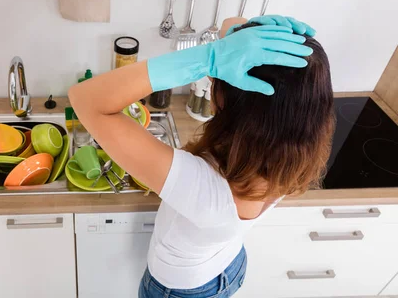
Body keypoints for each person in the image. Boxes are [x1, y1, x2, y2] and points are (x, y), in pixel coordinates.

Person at [68, 15, 335, 298]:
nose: (209, 78)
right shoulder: (291, 149)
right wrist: (248, 30)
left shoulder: (207, 192)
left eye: (215, 77)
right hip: (229, 265)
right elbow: (231, 22)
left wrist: (206, 58)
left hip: (180, 291)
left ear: (228, 103)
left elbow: (86, 100)